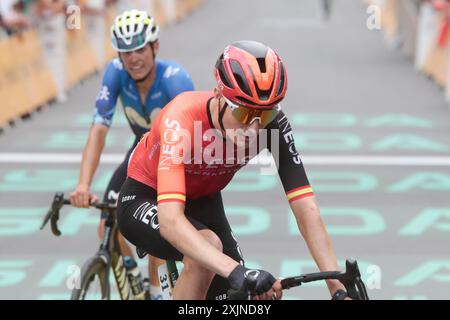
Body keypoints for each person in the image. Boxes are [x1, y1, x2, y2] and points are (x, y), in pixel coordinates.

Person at [117, 40, 348, 300]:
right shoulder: (181, 119)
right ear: (218, 95)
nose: (254, 129)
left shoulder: (273, 127)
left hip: (204, 201)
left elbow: (306, 208)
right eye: (244, 114)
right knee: (210, 251)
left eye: (266, 115)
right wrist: (237, 270)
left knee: (244, 297)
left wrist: (338, 288)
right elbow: (171, 222)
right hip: (147, 196)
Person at [69, 9, 194, 299]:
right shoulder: (115, 73)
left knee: (158, 234)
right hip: (141, 155)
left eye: (139, 49)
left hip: (175, 161)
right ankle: (133, 280)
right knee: (107, 225)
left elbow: (193, 143)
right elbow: (99, 129)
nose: (133, 58)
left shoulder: (175, 79)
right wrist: (84, 185)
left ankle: (157, 291)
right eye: (126, 52)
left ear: (155, 47)